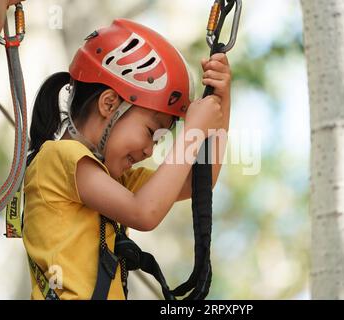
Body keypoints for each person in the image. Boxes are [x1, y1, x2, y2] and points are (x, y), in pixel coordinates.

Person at [23, 19, 231, 299]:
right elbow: (144, 212)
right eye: (150, 132)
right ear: (109, 104)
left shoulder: (112, 179)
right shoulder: (60, 158)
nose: (150, 151)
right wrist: (192, 132)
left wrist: (220, 105)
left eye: (159, 140)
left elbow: (198, 183)